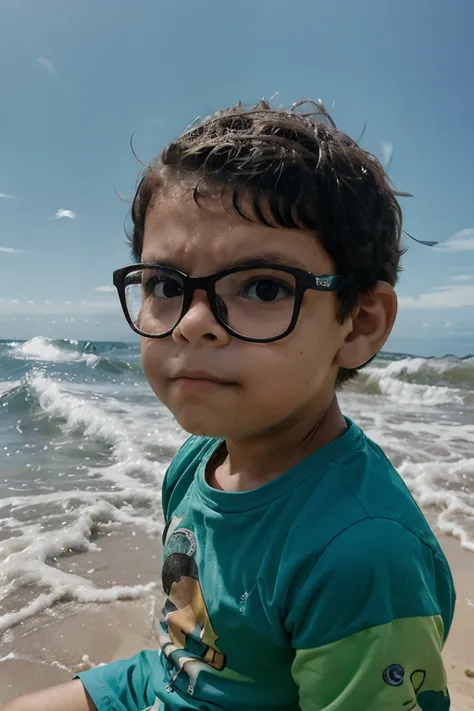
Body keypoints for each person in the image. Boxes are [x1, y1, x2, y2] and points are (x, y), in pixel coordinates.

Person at [3, 99, 455, 711]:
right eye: (165, 285)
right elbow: (187, 644)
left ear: (358, 324)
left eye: (263, 287)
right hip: (160, 684)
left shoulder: (361, 554)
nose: (191, 323)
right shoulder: (196, 461)